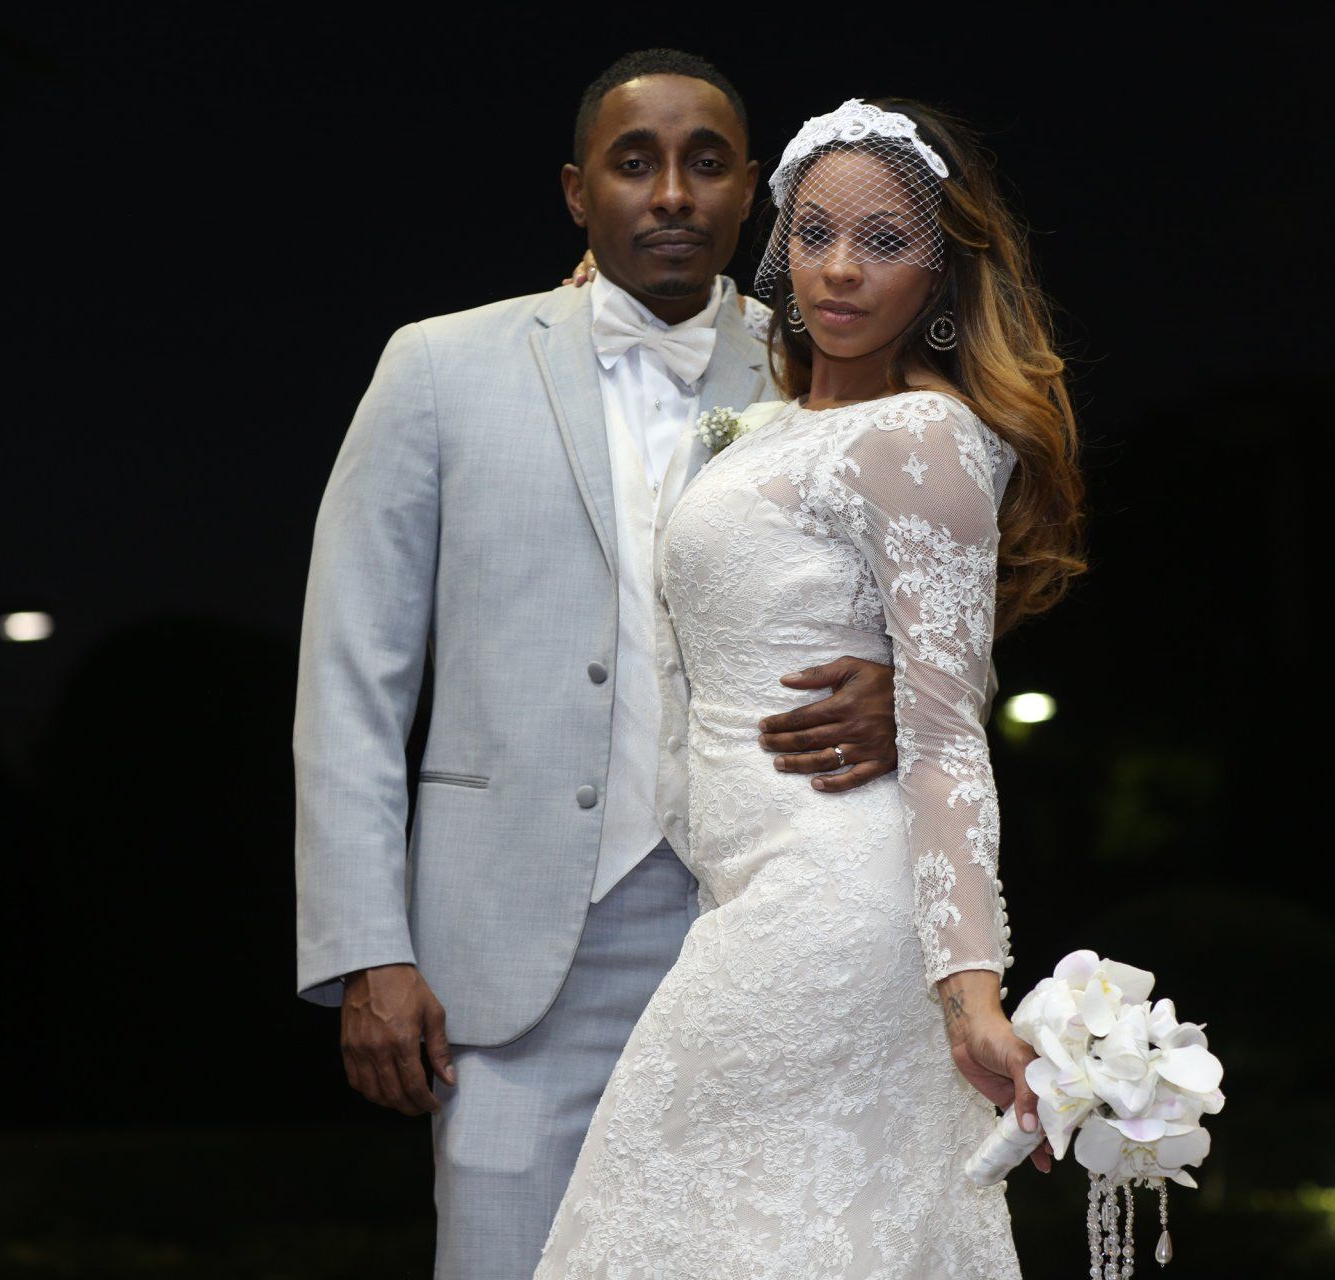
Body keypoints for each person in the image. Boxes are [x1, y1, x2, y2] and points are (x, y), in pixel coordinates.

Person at [292, 52, 908, 1280]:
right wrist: (369, 943)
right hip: (508, 958)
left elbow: (942, 604)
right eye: (636, 162)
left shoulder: (833, 373)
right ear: (580, 193)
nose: (671, 191)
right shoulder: (437, 367)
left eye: (706, 162)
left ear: (751, 198)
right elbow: (351, 674)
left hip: (762, 930)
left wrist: (909, 689)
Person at [535, 97, 1087, 1277]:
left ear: (943, 273)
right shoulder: (772, 425)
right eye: (817, 231)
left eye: (885, 242)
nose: (839, 269)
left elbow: (945, 735)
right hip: (745, 892)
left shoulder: (922, 436)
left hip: (837, 906)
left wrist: (971, 989)